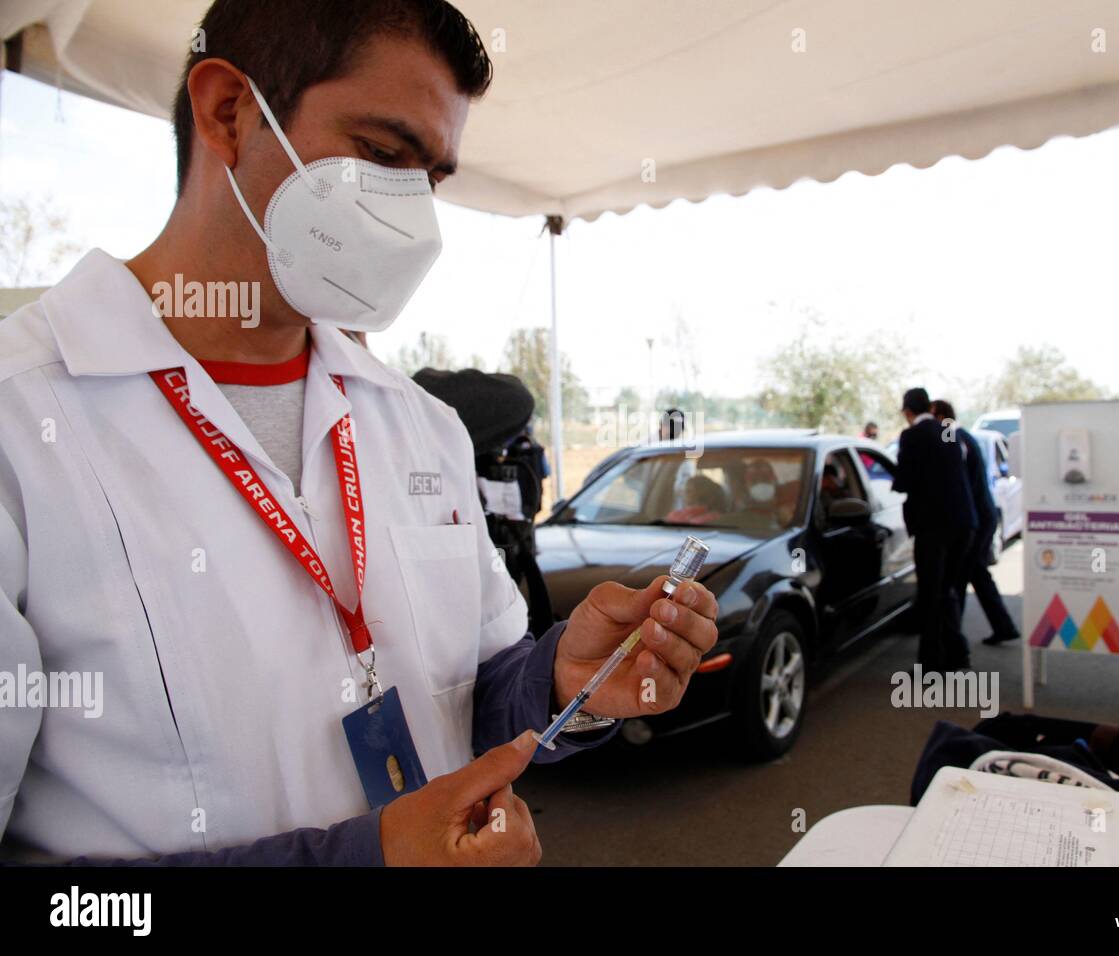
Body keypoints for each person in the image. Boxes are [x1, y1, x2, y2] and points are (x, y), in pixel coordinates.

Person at [0, 0, 718, 866]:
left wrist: (566, 679)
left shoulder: (420, 426)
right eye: (381, 155)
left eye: (433, 178)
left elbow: (474, 695)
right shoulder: (22, 423)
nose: (410, 215)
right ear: (229, 111)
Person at [891, 387, 977, 672]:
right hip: (963, 523)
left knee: (929, 594)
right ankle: (957, 653)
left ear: (907, 412)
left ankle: (930, 665)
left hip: (933, 527)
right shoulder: (948, 430)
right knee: (947, 590)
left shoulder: (910, 436)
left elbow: (903, 480)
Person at [931, 400, 1019, 646]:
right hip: (981, 515)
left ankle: (953, 642)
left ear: (939, 416)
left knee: (956, 579)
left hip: (974, 520)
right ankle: (1003, 626)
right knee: (977, 573)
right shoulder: (964, 436)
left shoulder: (951, 436)